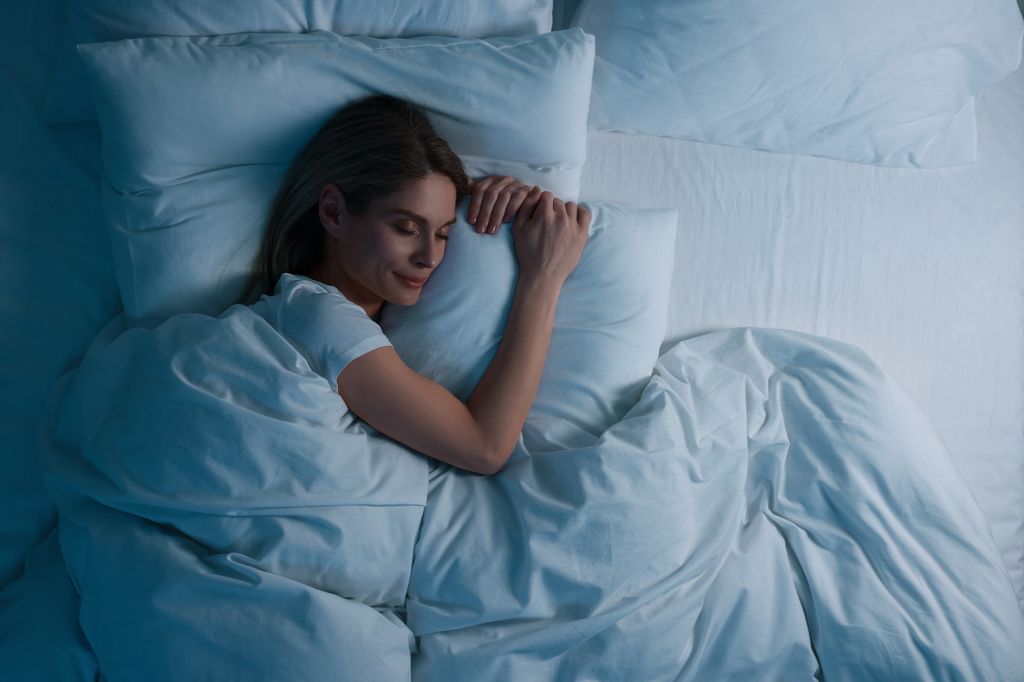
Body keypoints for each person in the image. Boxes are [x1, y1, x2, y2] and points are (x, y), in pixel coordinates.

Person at [239, 94, 590, 475]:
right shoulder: (319, 317)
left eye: (443, 234)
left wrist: (513, 214)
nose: (430, 257)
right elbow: (484, 449)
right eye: (406, 228)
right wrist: (543, 278)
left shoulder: (331, 325)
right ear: (334, 212)